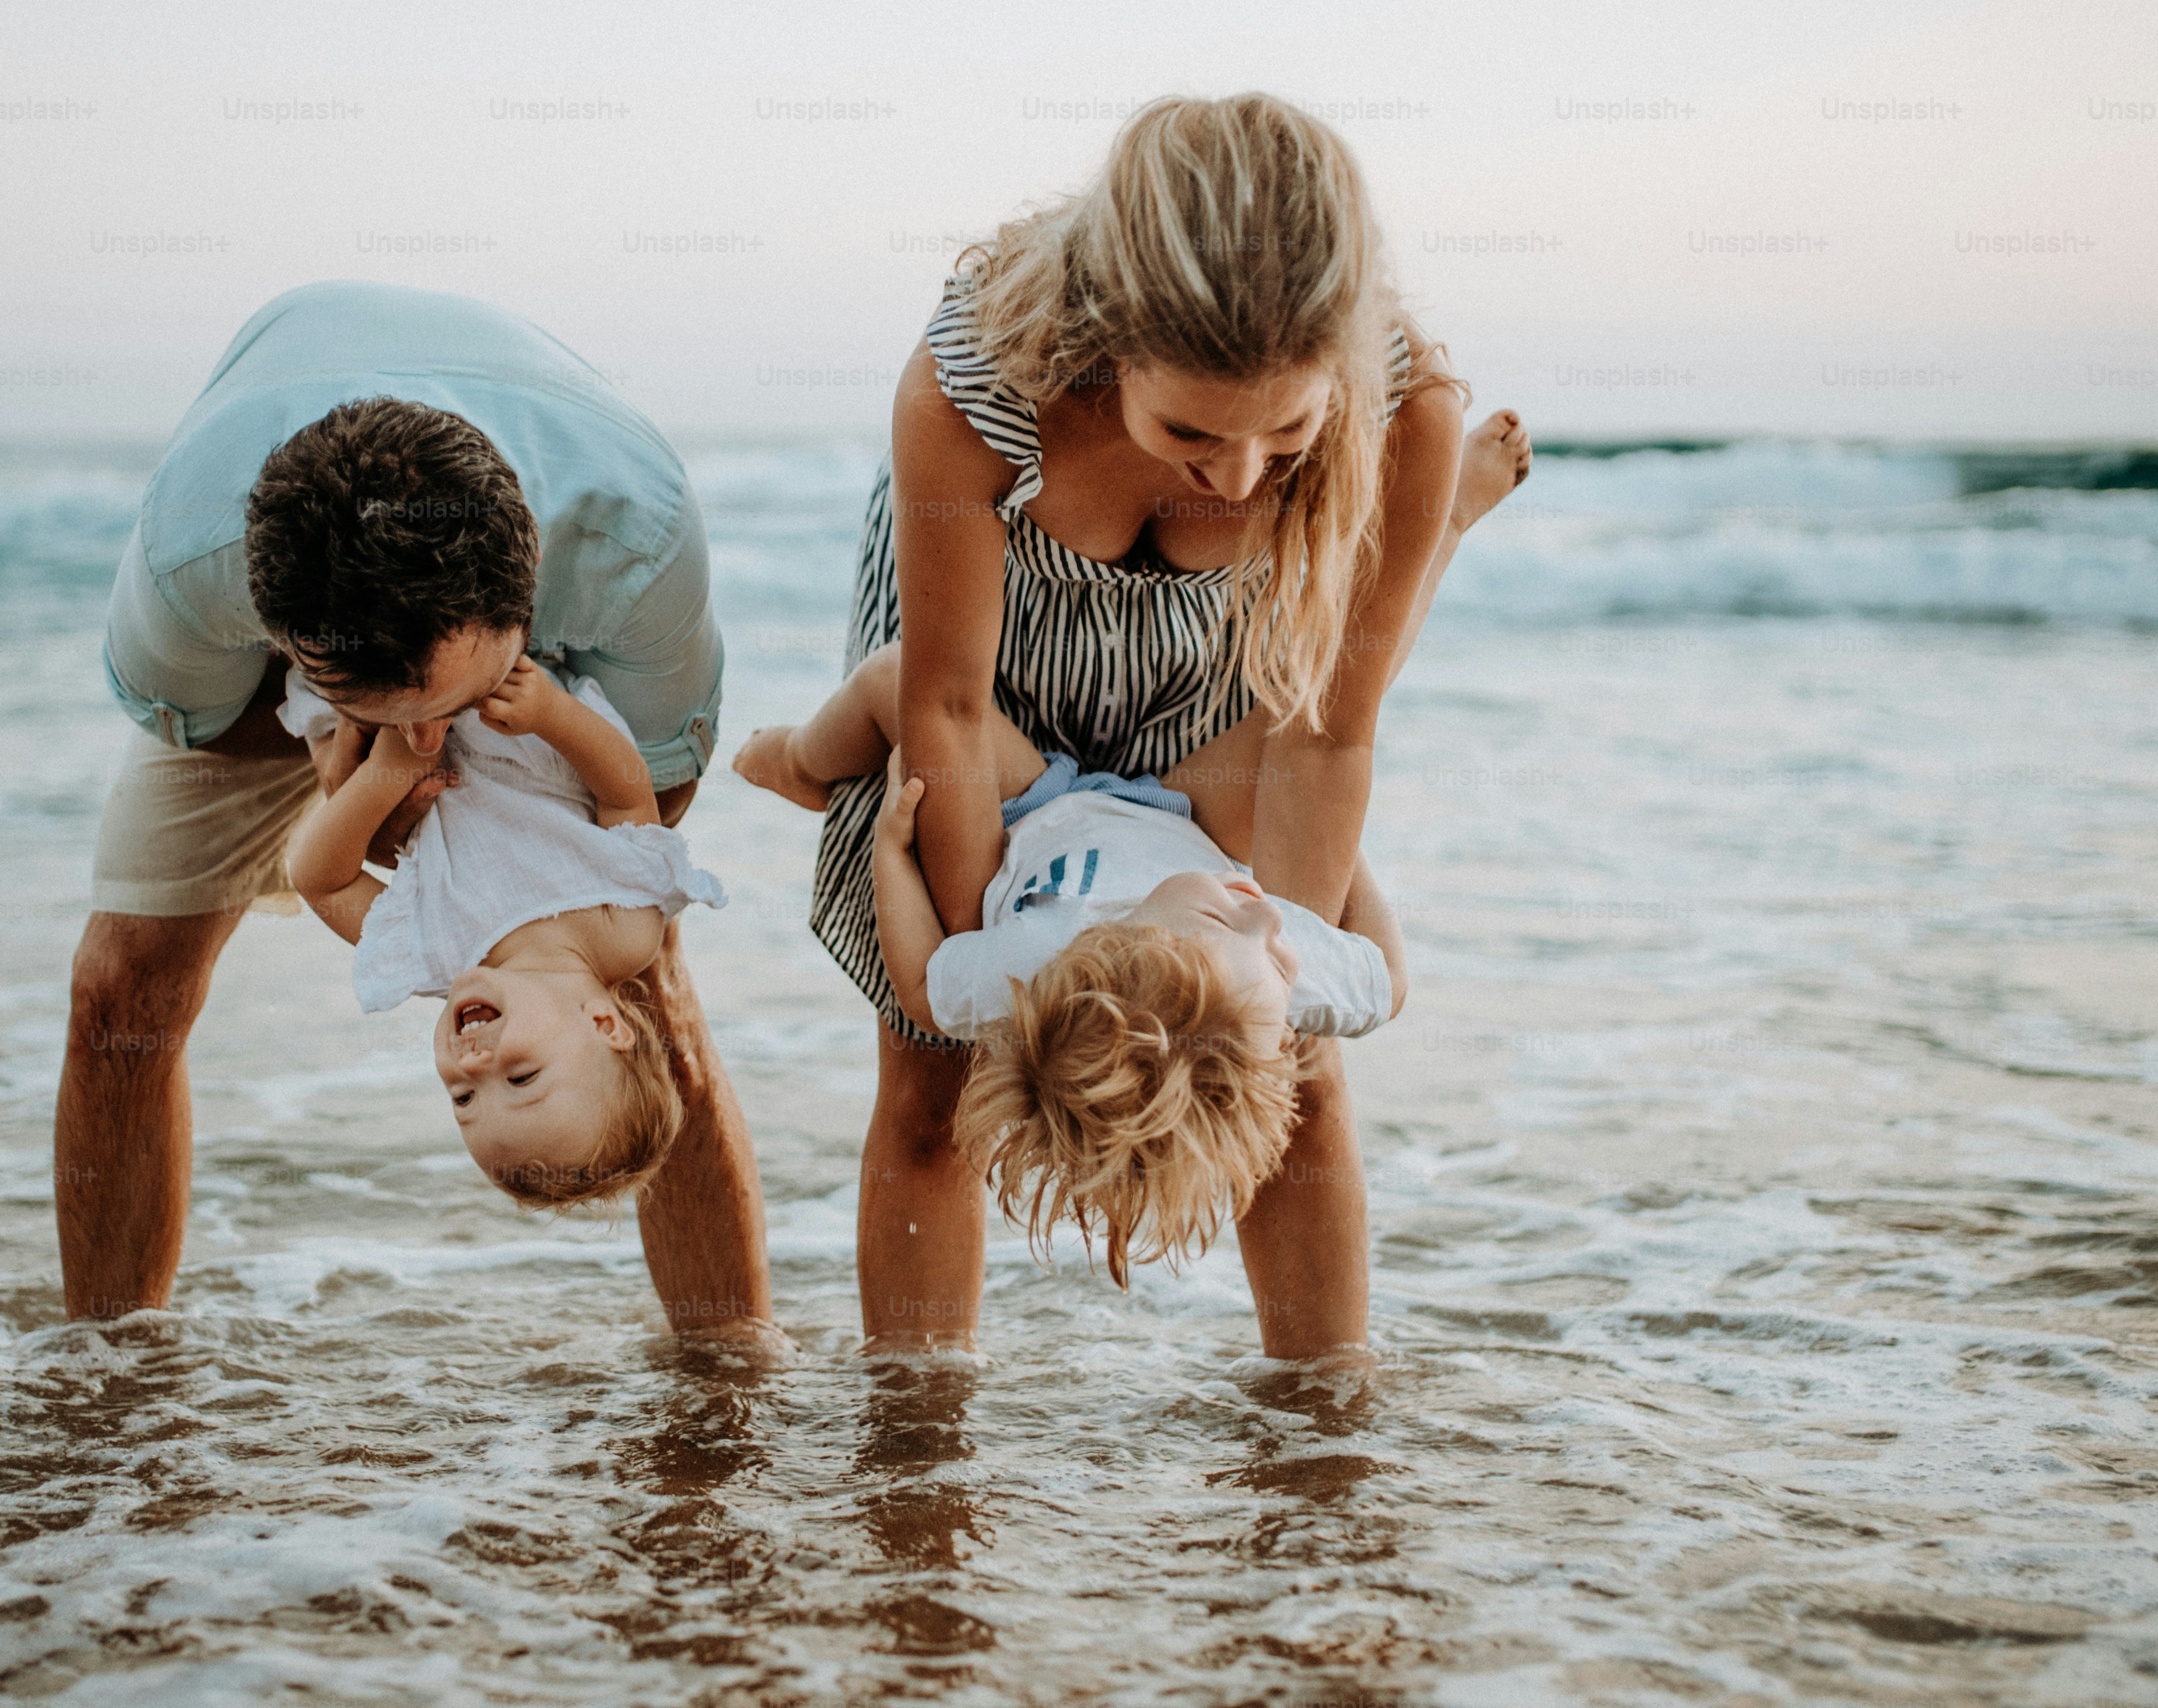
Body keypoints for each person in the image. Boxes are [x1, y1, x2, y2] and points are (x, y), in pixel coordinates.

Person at [808, 94, 1533, 1357]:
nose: (1239, 478)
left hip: (1224, 656)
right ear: (1107, 345)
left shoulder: (1403, 407)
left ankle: (1319, 1441)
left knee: (1287, 1065)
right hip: (987, 658)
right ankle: (915, 1454)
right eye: (1189, 432)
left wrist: (1273, 976)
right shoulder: (978, 379)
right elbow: (946, 702)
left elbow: (1323, 729)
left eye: (1286, 436)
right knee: (936, 1060)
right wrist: (1006, 944)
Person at [59, 282, 772, 1346]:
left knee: (652, 992)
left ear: (521, 601)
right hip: (312, 709)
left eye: (452, 689)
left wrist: (483, 742)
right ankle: (108, 1373)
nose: (474, 1073)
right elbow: (210, 735)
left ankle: (727, 1370)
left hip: (546, 640)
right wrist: (344, 765)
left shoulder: (636, 538)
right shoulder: (189, 567)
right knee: (122, 981)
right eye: (505, 1082)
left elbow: (648, 781)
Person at [738, 644, 1406, 1287]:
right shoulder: (1269, 980)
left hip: (1036, 810)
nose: (1267, 914)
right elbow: (1390, 983)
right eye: (1282, 965)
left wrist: (890, 851)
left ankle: (799, 762)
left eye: (1221, 919)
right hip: (1192, 819)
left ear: (1125, 945)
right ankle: (1440, 537)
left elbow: (920, 988)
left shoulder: (1037, 960)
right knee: (1319, 698)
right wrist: (1350, 857)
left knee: (897, 676)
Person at [284, 645, 725, 1204]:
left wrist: (388, 770)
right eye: (521, 1078)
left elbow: (321, 881)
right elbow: (625, 793)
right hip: (519, 701)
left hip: (392, 707)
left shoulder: (435, 952)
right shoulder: (627, 930)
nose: (471, 1065)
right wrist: (550, 713)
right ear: (605, 1026)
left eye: (463, 1099)